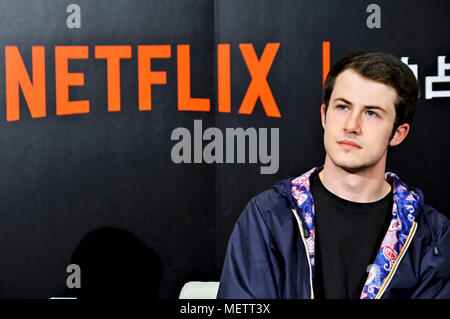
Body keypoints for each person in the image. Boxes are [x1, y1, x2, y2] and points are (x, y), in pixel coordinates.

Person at [217, 51, 450, 299]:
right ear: (324, 116)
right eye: (342, 107)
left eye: (371, 113)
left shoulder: (430, 233)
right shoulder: (269, 216)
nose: (351, 125)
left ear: (398, 133)